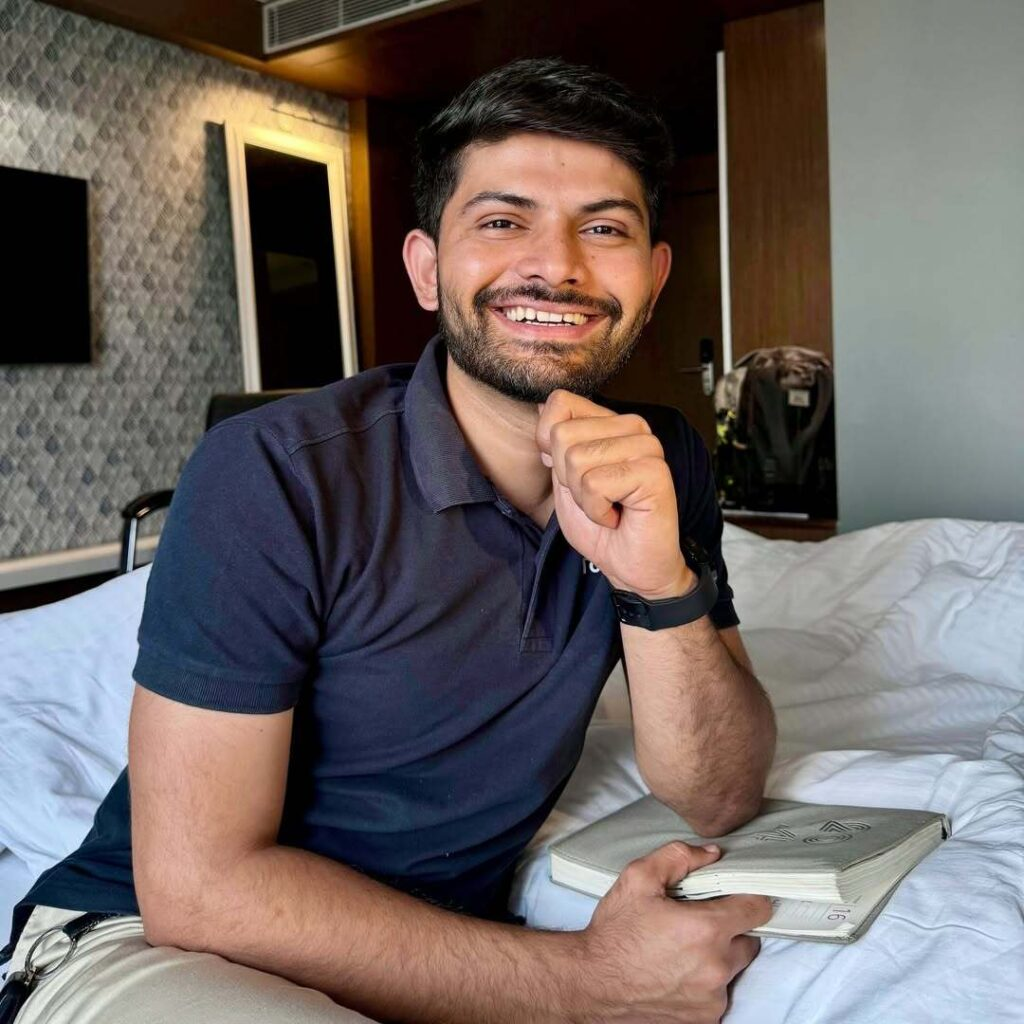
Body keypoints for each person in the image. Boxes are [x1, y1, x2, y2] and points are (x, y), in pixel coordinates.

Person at [1, 57, 776, 1023]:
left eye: (605, 228)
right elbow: (195, 891)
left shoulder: (663, 460)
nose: (558, 266)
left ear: (653, 279)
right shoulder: (274, 473)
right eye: (502, 222)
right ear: (426, 267)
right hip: (149, 943)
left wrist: (658, 584)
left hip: (441, 956)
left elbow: (720, 797)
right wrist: (589, 981)